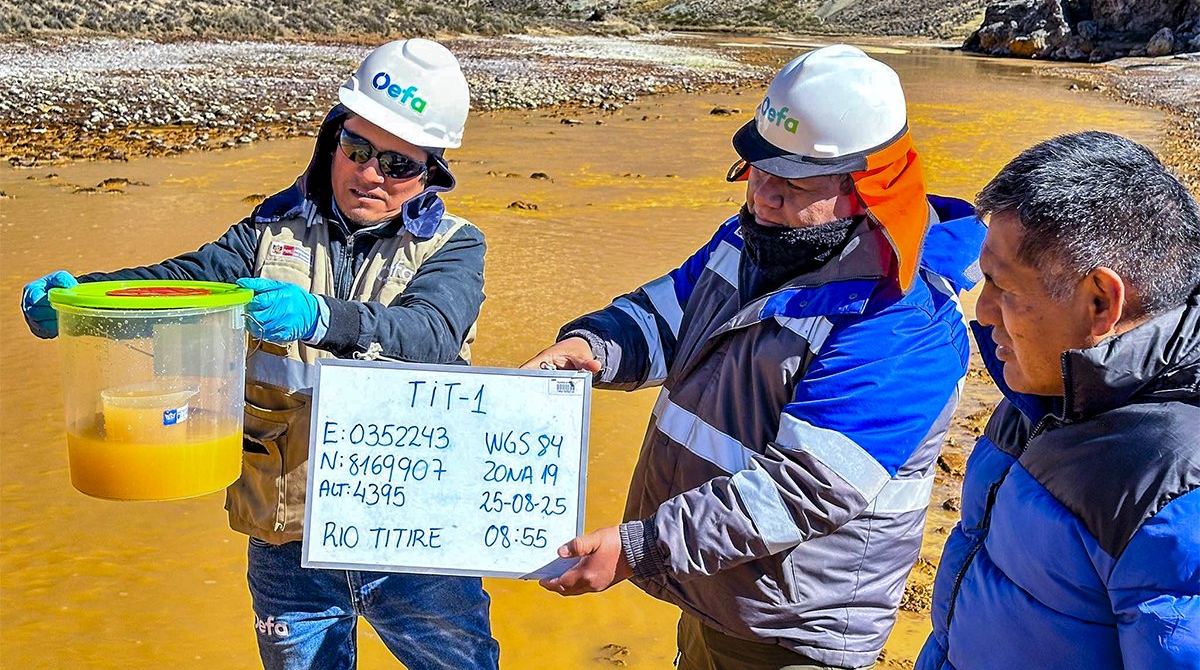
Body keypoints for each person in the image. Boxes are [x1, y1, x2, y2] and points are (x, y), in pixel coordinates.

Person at [21, 38, 500, 670]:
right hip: (286, 536)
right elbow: (182, 284)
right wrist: (88, 302)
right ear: (332, 142)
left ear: (429, 176)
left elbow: (432, 330)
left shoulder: (455, 247)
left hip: (413, 536)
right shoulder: (266, 233)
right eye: (357, 150)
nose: (371, 174)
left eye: (398, 164)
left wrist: (323, 317)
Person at [523, 44, 987, 670]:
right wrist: (591, 348)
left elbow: (805, 490)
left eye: (793, 181)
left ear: (867, 187)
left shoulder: (902, 321)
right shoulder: (758, 237)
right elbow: (668, 313)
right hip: (713, 584)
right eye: (759, 167)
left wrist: (640, 549)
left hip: (792, 625)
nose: (762, 195)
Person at [915, 131, 1200, 670]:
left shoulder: (1174, 491)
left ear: (1100, 302)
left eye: (1005, 288)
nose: (985, 311)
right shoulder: (1047, 384)